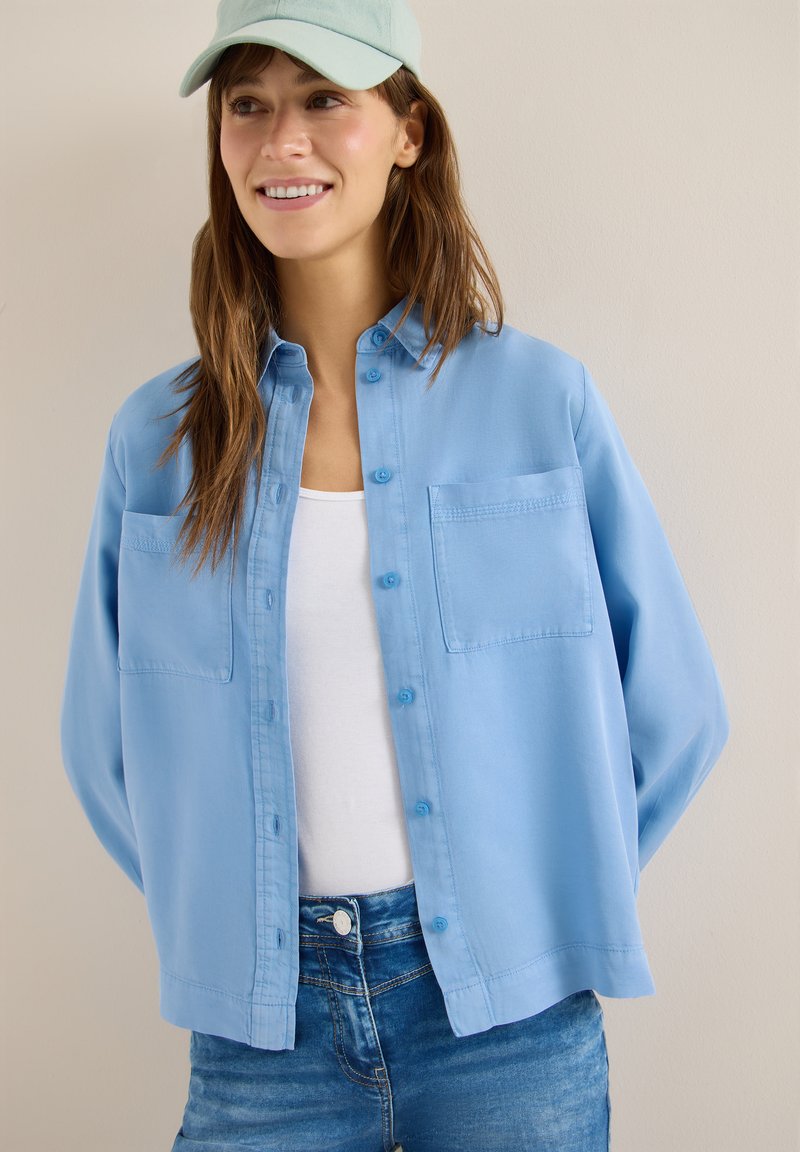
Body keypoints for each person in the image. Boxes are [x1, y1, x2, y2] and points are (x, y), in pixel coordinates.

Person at [59, 1, 730, 1148]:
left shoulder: (537, 402)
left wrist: (531, 905)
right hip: (259, 1048)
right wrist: (235, 924)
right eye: (248, 106)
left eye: (325, 99)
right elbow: (107, 747)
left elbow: (675, 713)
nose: (281, 143)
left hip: (511, 1033)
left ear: (407, 131)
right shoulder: (157, 441)